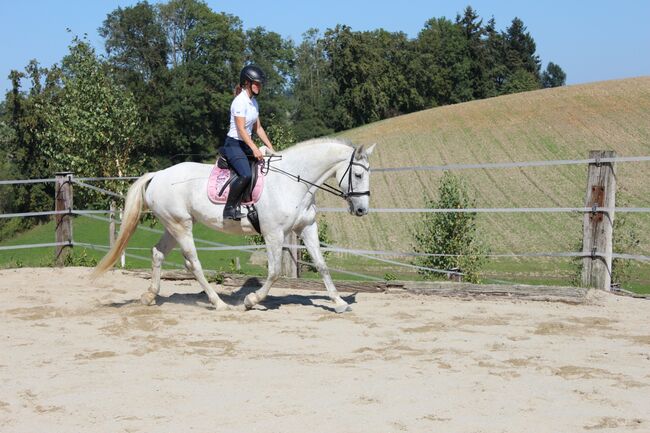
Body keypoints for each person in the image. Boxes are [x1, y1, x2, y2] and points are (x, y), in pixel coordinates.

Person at [220, 65, 275, 220]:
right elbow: (242, 130)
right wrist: (255, 148)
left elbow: (258, 128)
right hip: (233, 144)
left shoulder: (254, 103)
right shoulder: (239, 102)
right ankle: (229, 209)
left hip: (245, 144)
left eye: (260, 84)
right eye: (256, 83)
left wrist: (272, 150)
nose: (259, 86)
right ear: (247, 83)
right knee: (245, 174)